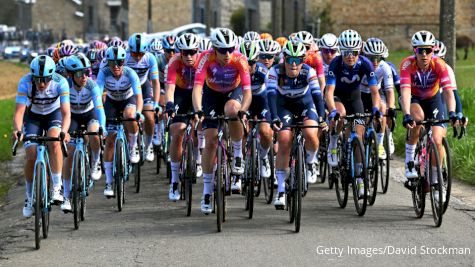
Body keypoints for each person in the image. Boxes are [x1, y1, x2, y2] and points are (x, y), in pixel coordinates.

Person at [192, 28, 252, 214]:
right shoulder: (205, 58)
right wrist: (199, 111)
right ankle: (207, 192)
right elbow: (197, 88)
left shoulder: (240, 59)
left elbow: (248, 91)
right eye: (222, 50)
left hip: (233, 93)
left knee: (232, 110)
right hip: (211, 94)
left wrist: (243, 111)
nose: (227, 54)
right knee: (210, 140)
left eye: (230, 49)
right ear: (214, 49)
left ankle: (237, 155)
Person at [265, 40, 322, 208]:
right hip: (284, 107)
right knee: (283, 140)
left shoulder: (309, 71)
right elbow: (271, 97)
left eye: (298, 60)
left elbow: (318, 96)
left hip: (305, 104)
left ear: (303, 61)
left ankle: (311, 162)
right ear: (284, 59)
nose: (294, 64)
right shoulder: (275, 71)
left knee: (311, 134)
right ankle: (281, 190)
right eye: (290, 60)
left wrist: (322, 118)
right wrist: (274, 117)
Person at [13, 55, 71, 217]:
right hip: (33, 117)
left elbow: (66, 113)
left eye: (45, 79)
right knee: (31, 154)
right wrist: (17, 130)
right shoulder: (25, 82)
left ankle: (57, 187)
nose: (41, 84)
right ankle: (29, 197)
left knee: (54, 142)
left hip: (54, 114)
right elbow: (19, 112)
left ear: (51, 76)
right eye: (37, 79)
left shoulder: (61, 82)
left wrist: (64, 131)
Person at [400, 31, 456, 199]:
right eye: (420, 50)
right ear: (414, 50)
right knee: (417, 119)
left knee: (438, 139)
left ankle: (436, 181)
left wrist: (452, 112)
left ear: (433, 50)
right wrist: (406, 114)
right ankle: (410, 159)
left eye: (428, 50)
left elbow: (448, 92)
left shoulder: (440, 65)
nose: (424, 54)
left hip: (433, 99)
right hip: (414, 98)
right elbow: (405, 91)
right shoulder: (406, 65)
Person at [325, 29, 381, 197]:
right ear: (342, 51)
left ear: (359, 51)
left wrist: (376, 108)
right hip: (337, 96)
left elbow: (374, 92)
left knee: (359, 133)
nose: (350, 56)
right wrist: (332, 110)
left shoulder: (365, 64)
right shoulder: (335, 64)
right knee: (340, 114)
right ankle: (333, 144)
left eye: (354, 52)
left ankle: (359, 178)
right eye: (347, 52)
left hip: (355, 98)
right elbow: (328, 92)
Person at [60, 54, 106, 212]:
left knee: (94, 133)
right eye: (80, 74)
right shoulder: (65, 85)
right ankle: (66, 196)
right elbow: (62, 111)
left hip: (89, 114)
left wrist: (103, 128)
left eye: (87, 72)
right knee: (70, 152)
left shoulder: (92, 85)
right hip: (72, 116)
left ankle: (95, 163)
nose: (85, 76)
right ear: (71, 75)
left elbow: (99, 108)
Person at [96, 46, 143, 197]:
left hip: (128, 100)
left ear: (124, 62)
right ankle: (109, 182)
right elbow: (98, 97)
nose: (116, 66)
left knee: (130, 114)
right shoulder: (103, 73)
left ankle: (133, 145)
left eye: (119, 62)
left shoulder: (130, 73)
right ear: (107, 63)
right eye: (112, 63)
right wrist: (101, 122)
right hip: (111, 102)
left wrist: (139, 113)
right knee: (110, 140)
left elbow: (139, 97)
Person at [165, 33, 201, 201]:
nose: (188, 56)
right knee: (178, 129)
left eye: (192, 52)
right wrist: (170, 105)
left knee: (202, 123)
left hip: (199, 93)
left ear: (197, 51)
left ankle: (199, 157)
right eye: (184, 53)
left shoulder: (203, 61)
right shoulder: (174, 62)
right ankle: (174, 180)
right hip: (180, 93)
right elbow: (170, 88)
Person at [238, 40, 273, 191]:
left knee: (265, 132)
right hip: (244, 102)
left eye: (252, 63)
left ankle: (264, 157)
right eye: (246, 62)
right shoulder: (236, 71)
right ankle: (242, 163)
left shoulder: (263, 71)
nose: (249, 67)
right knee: (241, 133)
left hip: (261, 101)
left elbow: (273, 92)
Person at [126, 33, 160, 162]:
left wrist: (156, 103)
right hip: (128, 88)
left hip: (144, 86)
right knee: (128, 118)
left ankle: (149, 144)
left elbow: (155, 83)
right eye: (135, 54)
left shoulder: (150, 58)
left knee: (150, 117)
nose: (138, 57)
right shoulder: (125, 57)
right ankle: (132, 145)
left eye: (141, 54)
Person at [360, 38, 396, 160]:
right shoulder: (360, 64)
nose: (375, 61)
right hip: (359, 93)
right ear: (365, 56)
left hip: (376, 92)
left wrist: (391, 107)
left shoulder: (385, 67)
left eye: (378, 57)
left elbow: (390, 90)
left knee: (383, 109)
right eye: (371, 58)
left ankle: (380, 144)